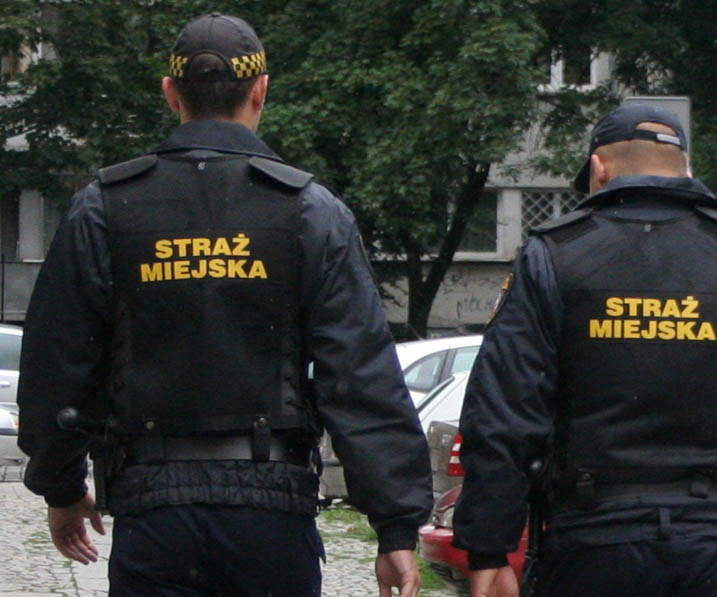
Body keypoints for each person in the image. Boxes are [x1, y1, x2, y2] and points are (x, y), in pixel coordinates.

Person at [17, 13, 432, 597]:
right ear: (260, 91)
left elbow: (58, 364)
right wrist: (395, 527)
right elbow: (359, 377)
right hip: (271, 511)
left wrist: (60, 485)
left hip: (153, 510)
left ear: (171, 93)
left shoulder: (104, 209)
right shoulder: (310, 211)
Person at [451, 103, 717, 597]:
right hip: (716, 543)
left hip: (590, 542)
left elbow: (502, 412)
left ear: (598, 170)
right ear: (687, 171)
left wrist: (488, 546)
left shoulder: (551, 257)